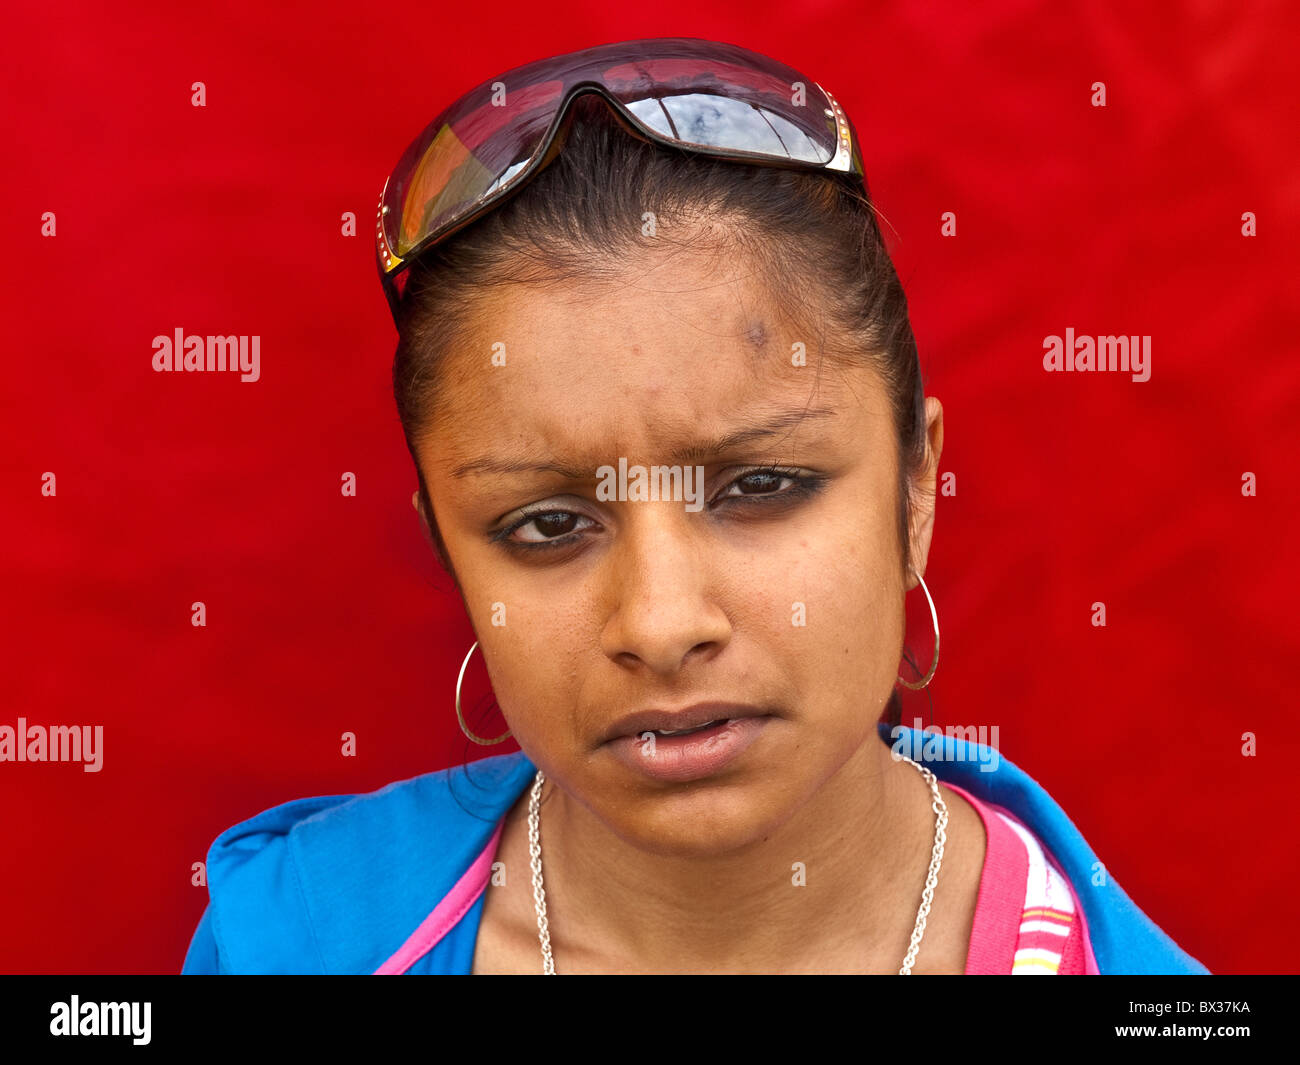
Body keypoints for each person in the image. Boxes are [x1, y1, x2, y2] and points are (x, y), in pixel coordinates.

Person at [182, 37, 1208, 975]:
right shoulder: (291, 936)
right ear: (451, 558)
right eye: (546, 525)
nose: (662, 625)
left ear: (914, 491)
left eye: (759, 487)